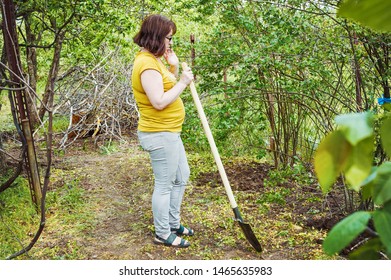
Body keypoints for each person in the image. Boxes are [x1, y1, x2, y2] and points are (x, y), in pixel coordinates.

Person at [131, 14, 194, 248]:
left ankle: (172, 223)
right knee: (165, 184)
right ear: (157, 37)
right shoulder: (146, 64)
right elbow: (159, 101)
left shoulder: (155, 61)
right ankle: (162, 232)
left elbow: (168, 87)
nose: (170, 43)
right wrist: (184, 82)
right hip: (159, 133)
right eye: (169, 38)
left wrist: (174, 67)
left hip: (170, 131)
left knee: (181, 176)